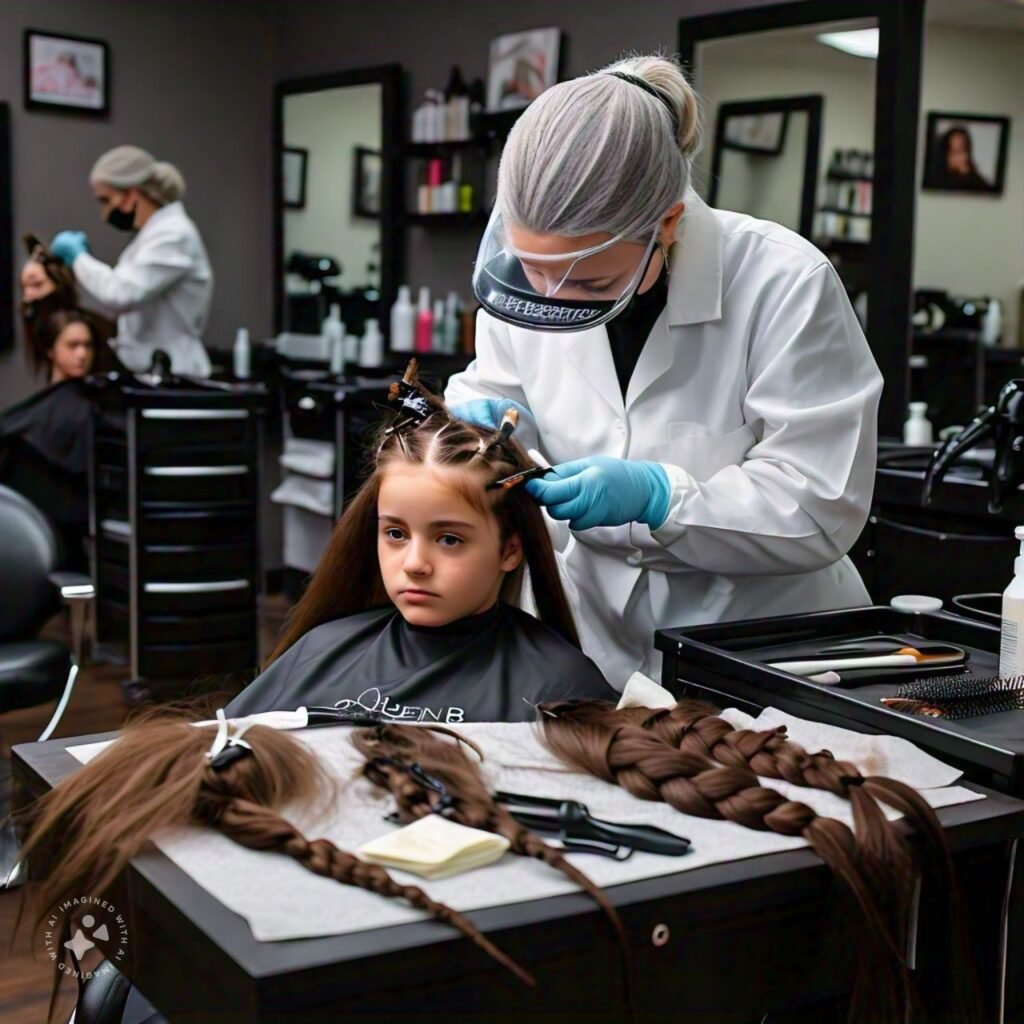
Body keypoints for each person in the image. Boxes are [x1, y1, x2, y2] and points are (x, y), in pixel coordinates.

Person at [445, 55, 883, 689]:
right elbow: (499, 386)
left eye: (588, 280)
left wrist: (662, 499)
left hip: (765, 644)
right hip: (590, 634)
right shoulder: (530, 286)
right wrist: (482, 420)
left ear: (667, 224)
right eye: (531, 270)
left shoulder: (785, 283)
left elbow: (819, 506)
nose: (549, 299)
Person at [227, 367, 614, 721]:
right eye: (395, 534)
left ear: (510, 550)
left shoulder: (559, 686)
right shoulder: (320, 652)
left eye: (449, 539)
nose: (414, 564)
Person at [49, 145, 214, 376]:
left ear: (132, 196)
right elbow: (113, 304)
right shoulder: (149, 238)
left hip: (172, 375)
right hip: (144, 372)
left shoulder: (175, 235)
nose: (105, 214)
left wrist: (79, 258)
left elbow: (120, 294)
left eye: (106, 200)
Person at [932, 125, 990, 190]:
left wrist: (967, 175)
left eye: (961, 150)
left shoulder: (976, 180)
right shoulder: (937, 181)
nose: (958, 157)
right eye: (953, 152)